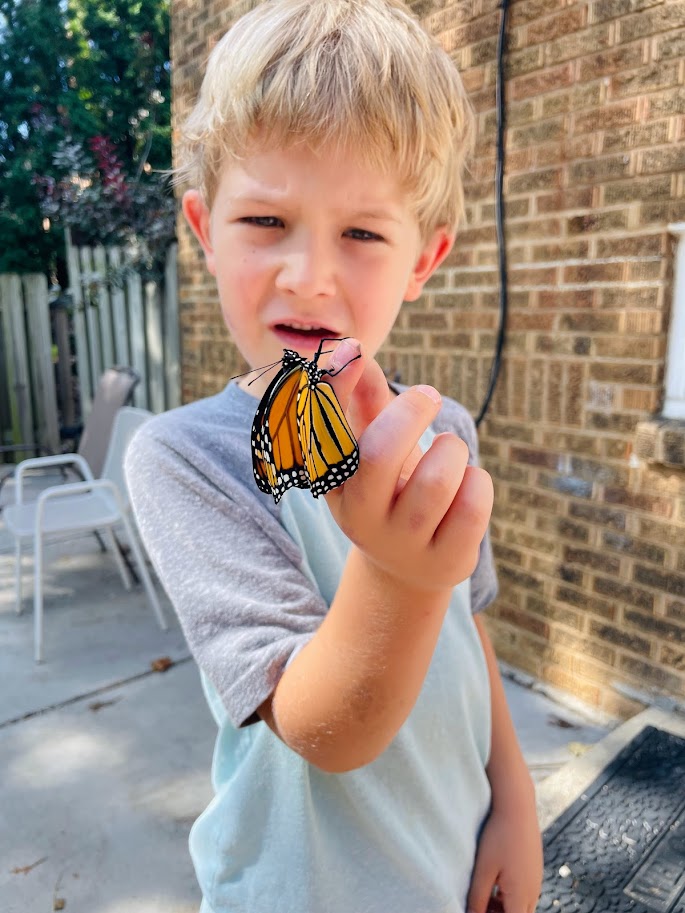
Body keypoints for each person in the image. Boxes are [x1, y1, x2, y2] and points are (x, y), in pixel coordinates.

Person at [125, 1, 543, 911]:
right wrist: (394, 571)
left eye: (361, 233)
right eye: (266, 220)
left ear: (421, 261)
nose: (309, 274)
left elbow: (467, 627)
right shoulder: (186, 459)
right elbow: (320, 729)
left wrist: (513, 800)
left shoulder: (445, 435)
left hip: (454, 857)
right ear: (203, 228)